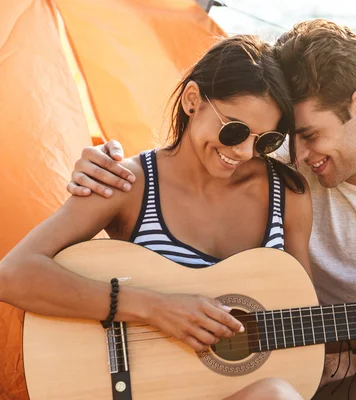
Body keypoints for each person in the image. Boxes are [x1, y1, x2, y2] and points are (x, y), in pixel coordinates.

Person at [66, 20, 356, 400]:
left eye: (310, 135)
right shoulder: (269, 170)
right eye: (285, 138)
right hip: (279, 379)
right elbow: (192, 162)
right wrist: (105, 168)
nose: (296, 155)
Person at [0, 35, 313, 400]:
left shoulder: (288, 195)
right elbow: (13, 275)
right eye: (235, 130)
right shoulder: (126, 182)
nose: (244, 152)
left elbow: (304, 321)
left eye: (264, 141)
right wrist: (153, 307)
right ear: (192, 100)